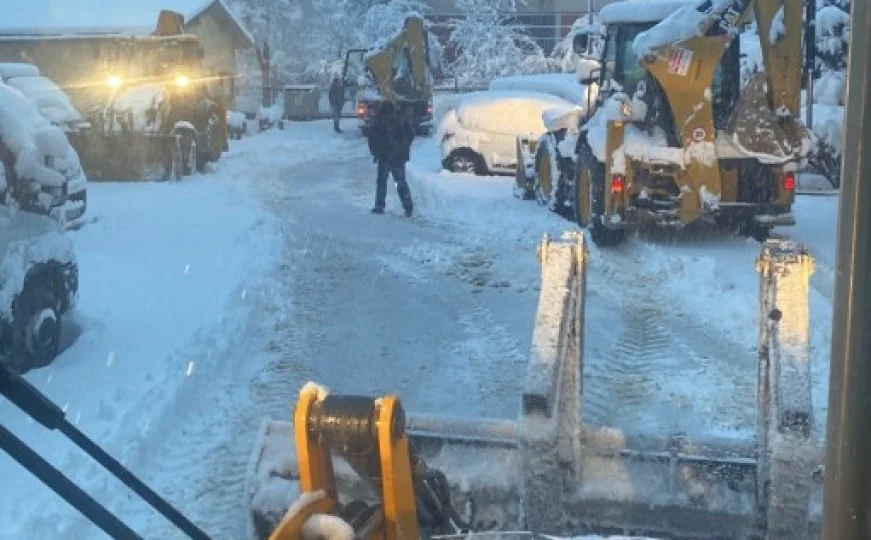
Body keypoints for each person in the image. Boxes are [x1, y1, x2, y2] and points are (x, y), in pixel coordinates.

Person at [367, 101, 414, 217]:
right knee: (400, 182)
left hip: (384, 156)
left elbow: (372, 139)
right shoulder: (400, 119)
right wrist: (403, 148)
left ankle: (379, 206)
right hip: (398, 156)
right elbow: (410, 135)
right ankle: (408, 206)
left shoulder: (379, 121)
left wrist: (376, 153)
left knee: (382, 182)